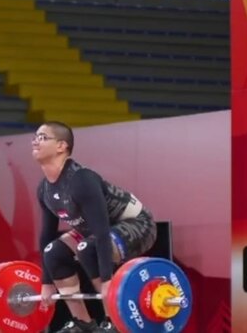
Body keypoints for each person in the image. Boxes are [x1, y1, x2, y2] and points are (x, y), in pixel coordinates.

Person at [32, 121, 157, 333]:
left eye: (43, 137)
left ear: (61, 146)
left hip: (139, 225)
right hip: (96, 233)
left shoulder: (81, 180)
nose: (35, 141)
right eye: (35, 136)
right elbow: (47, 236)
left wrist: (107, 281)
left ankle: (113, 320)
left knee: (86, 248)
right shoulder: (44, 189)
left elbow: (100, 231)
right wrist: (46, 282)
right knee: (53, 253)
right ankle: (84, 323)